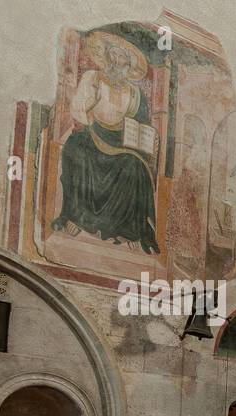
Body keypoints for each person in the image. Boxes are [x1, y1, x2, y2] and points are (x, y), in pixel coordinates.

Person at [51, 32, 159, 254]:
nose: (117, 61)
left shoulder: (135, 93)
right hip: (91, 132)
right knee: (77, 151)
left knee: (136, 167)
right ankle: (76, 217)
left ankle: (131, 230)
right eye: (114, 55)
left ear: (128, 65)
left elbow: (141, 123)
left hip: (122, 143)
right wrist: (89, 116)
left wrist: (149, 138)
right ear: (107, 57)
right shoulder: (93, 77)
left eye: (123, 59)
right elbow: (77, 108)